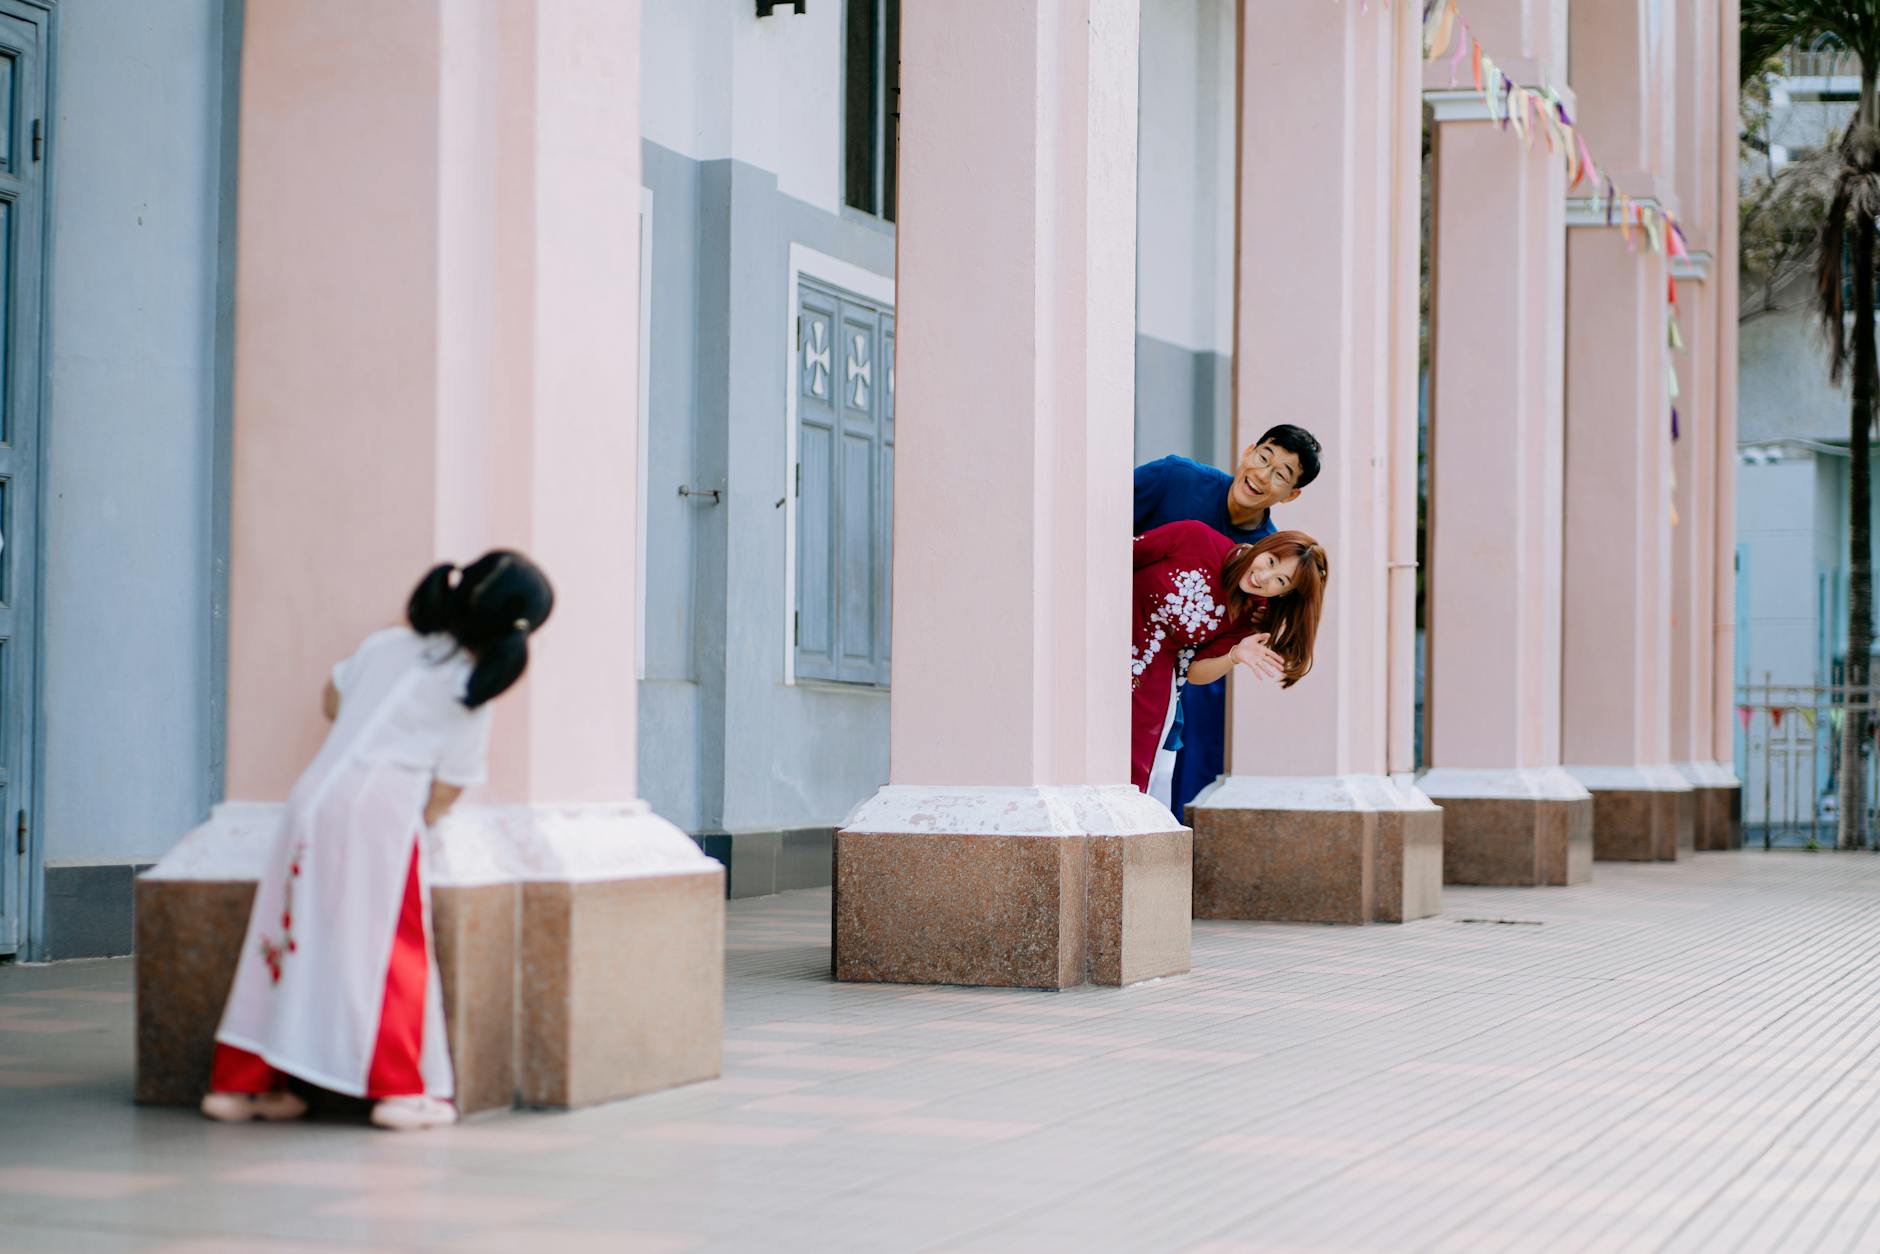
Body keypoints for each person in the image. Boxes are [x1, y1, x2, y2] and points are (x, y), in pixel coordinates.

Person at [200, 550, 554, 1132]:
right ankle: (398, 1088)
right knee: (392, 948)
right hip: (380, 813)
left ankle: (242, 1086)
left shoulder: (388, 644)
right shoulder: (470, 686)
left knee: (282, 935)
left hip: (312, 797)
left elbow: (332, 699)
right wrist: (420, 819)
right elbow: (450, 786)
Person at [1133, 424, 1323, 815]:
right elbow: (1096, 531)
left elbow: (1203, 663)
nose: (1262, 476)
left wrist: (1236, 654)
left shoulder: (1265, 580)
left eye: (1281, 475)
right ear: (1249, 450)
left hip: (1157, 685)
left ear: (1292, 494)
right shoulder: (1175, 480)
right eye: (1263, 458)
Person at [1131, 521, 1327, 799]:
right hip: (1096, 640)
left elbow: (1196, 673)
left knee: (1129, 781)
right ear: (1264, 547)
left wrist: (1233, 656)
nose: (1264, 577)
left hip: (1147, 686)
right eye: (1270, 561)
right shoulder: (1195, 537)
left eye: (1280, 581)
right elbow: (1118, 559)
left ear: (1284, 593)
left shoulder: (1251, 616)